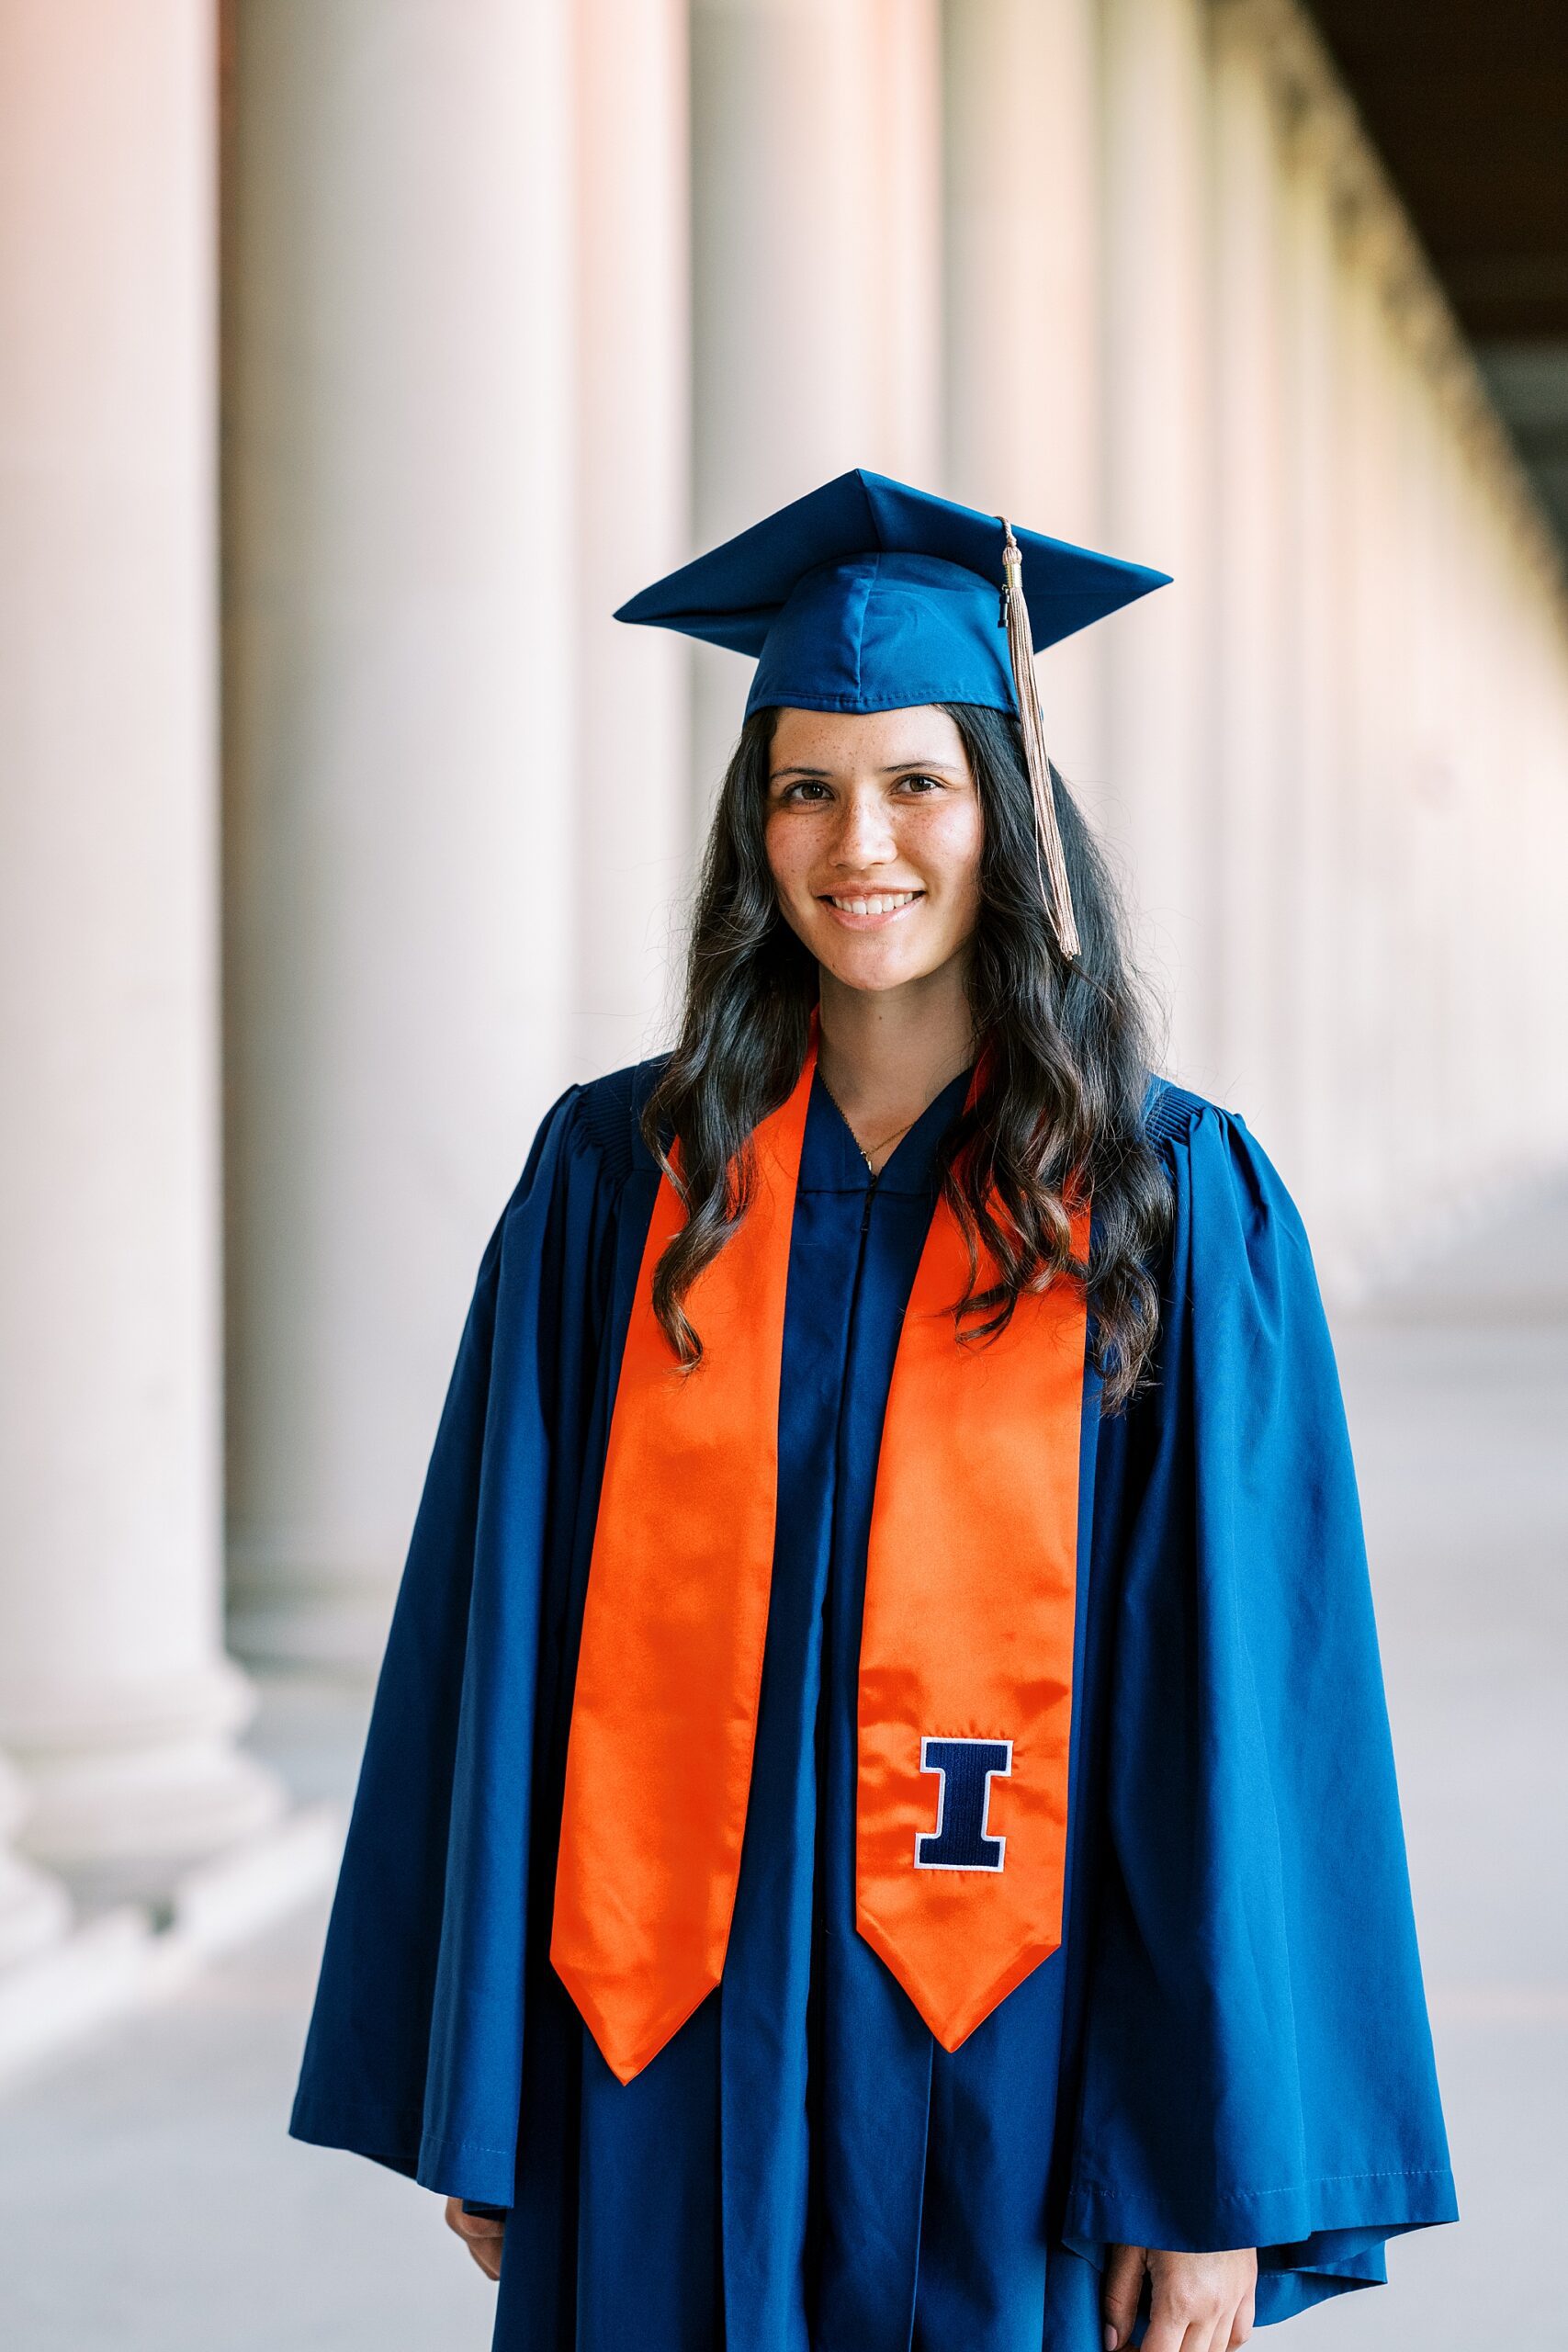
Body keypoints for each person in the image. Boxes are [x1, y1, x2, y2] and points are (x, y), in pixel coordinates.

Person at [288, 470, 1457, 2352]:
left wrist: (1204, 2174)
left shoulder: (1162, 1197)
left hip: (1016, 2062)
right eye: (804, 785)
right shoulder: (620, 1182)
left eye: (916, 780)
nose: (862, 841)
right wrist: (490, 2073)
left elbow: (1230, 1712)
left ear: (1010, 811)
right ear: (751, 831)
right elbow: (493, 1632)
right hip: (657, 2043)